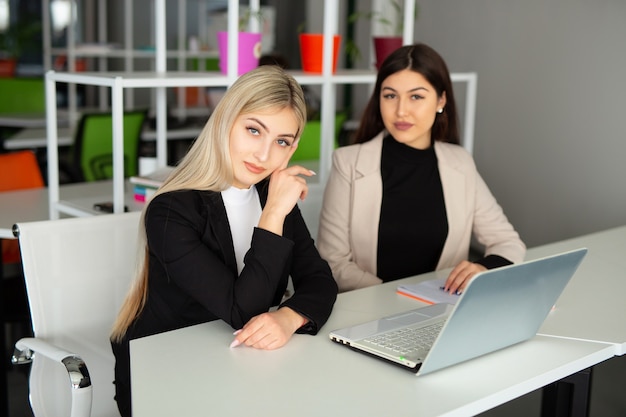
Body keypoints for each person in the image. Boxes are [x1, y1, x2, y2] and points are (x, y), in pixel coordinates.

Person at [110, 65, 338, 417]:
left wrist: (289, 318)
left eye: (281, 142)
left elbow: (320, 280)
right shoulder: (170, 210)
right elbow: (241, 311)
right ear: (224, 122)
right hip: (165, 370)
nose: (264, 155)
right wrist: (274, 214)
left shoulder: (270, 194)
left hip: (242, 362)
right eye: (253, 130)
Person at [317, 43, 525, 294]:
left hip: (442, 312)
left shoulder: (460, 163)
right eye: (390, 95)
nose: (401, 110)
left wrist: (483, 269)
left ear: (441, 100)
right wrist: (400, 297)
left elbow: (508, 242)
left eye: (416, 96)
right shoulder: (348, 163)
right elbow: (333, 263)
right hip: (370, 311)